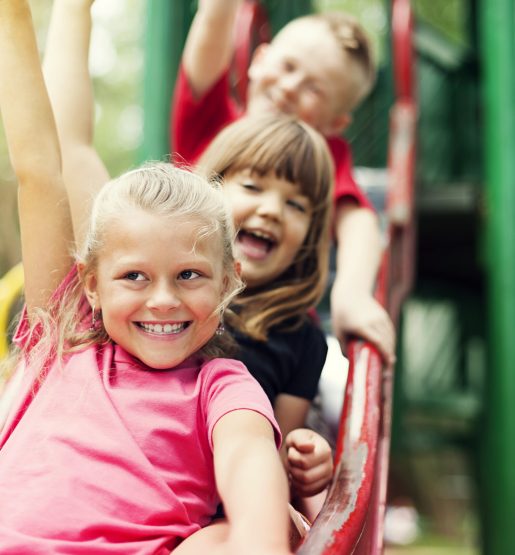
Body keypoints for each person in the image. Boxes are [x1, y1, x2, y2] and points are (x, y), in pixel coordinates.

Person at [0, 2, 292, 553]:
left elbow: (247, 457)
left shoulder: (221, 386)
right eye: (134, 276)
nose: (162, 300)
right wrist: (13, 17)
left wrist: (259, 534)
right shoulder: (58, 343)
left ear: (230, 282)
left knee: (219, 540)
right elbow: (40, 171)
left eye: (188, 275)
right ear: (91, 284)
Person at [171, 0, 396, 366]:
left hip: (269, 337)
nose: (290, 87)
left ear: (335, 124)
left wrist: (352, 294)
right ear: (258, 61)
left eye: (315, 89)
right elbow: (212, 26)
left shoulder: (319, 159)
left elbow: (359, 222)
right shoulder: (212, 121)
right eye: (288, 66)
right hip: (177, 307)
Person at [197, 113, 336, 516]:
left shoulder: (300, 337)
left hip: (222, 514)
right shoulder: (167, 295)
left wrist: (306, 461)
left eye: (296, 204)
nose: (272, 210)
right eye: (253, 186)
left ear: (310, 234)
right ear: (209, 189)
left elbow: (277, 447)